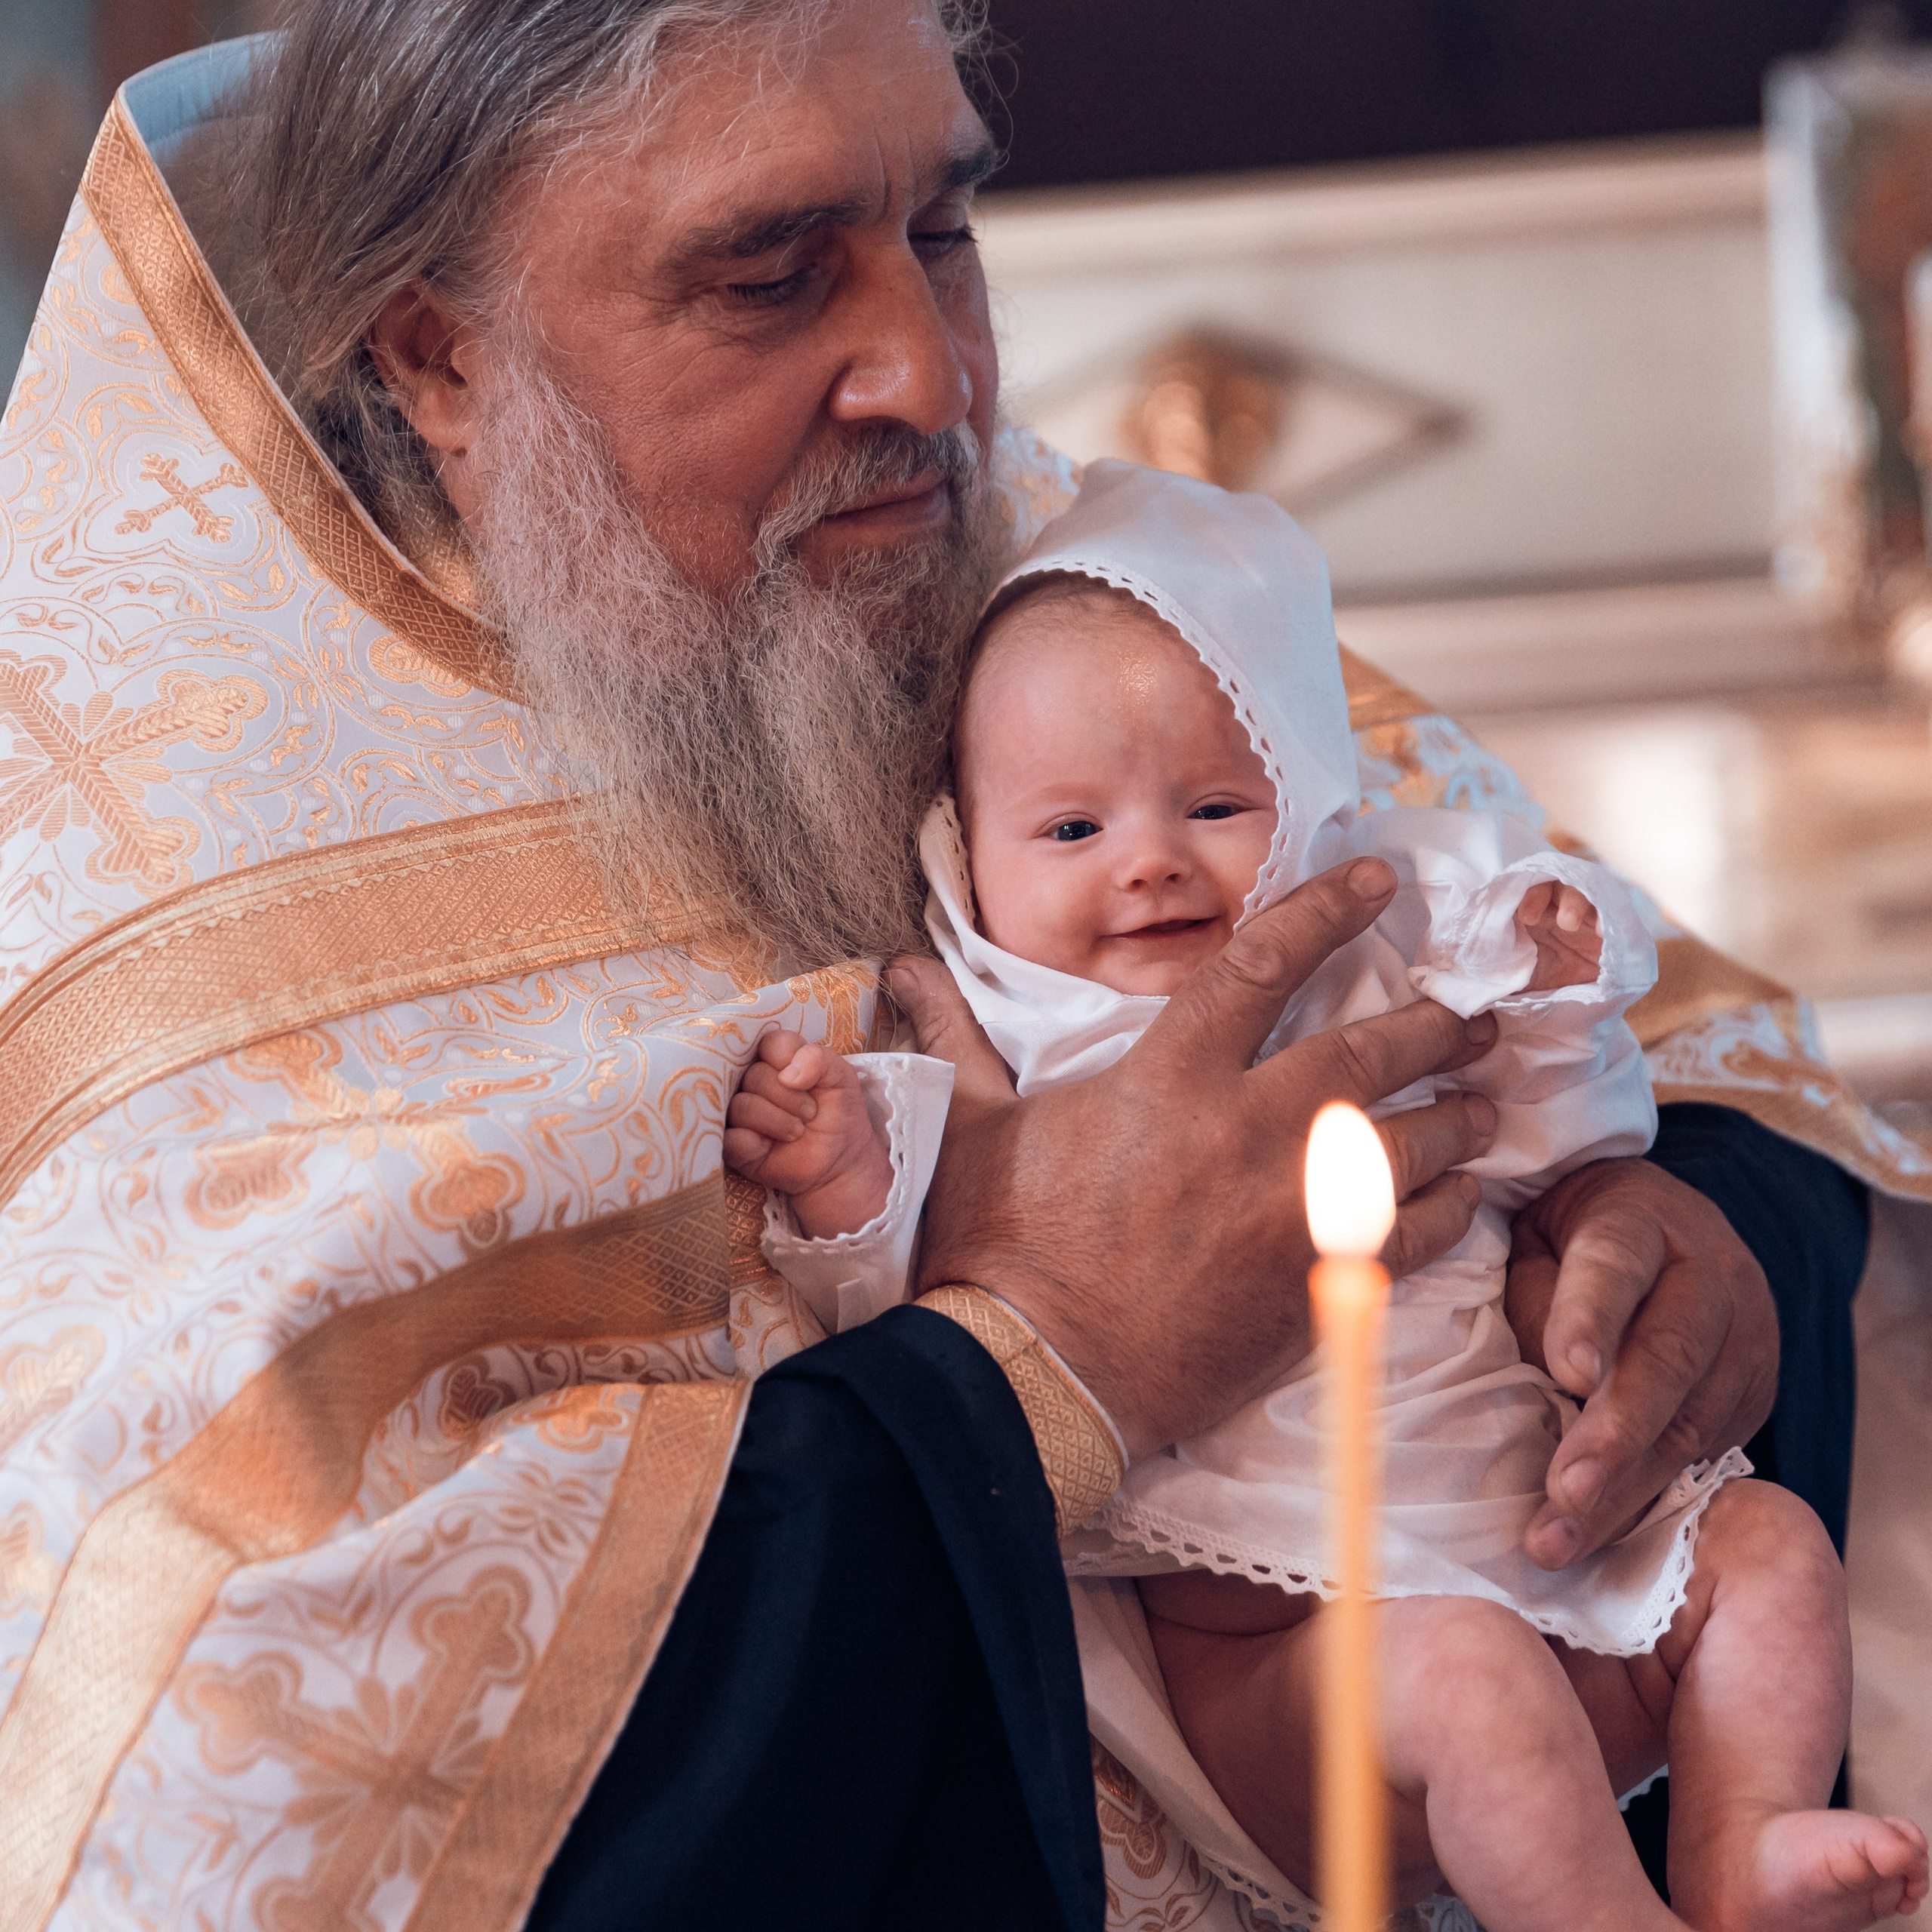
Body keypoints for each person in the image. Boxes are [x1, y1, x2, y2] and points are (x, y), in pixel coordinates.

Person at [0, 2, 1897, 1926]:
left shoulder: (1041, 577)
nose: (927, 368)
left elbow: (1707, 1049)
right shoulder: (182, 902)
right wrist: (1037, 1350)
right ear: (440, 356)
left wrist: (1677, 1229)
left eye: (945, 230)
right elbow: (248, 1780)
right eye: (768, 274)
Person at [727, 461, 1929, 1930]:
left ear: (1304, 790)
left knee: (1765, 1548)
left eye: (1218, 803)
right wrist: (851, 1188)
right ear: (960, 855)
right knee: (1474, 1687)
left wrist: (1555, 1007)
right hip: (1287, 1660)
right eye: (1068, 833)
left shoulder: (1374, 949)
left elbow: (1549, 1116)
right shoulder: (1002, 1052)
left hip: (1554, 1543)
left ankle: (1734, 1841)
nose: (1152, 860)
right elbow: (919, 1315)